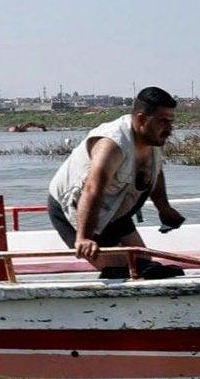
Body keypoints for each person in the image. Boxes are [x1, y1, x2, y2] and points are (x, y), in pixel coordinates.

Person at [46, 86, 189, 279]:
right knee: (122, 272)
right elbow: (92, 189)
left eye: (171, 121)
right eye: (164, 121)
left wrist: (164, 208)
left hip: (115, 210)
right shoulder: (112, 144)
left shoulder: (152, 139)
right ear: (140, 119)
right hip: (79, 209)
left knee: (146, 265)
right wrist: (85, 238)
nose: (170, 129)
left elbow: (155, 172)